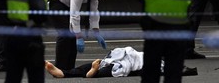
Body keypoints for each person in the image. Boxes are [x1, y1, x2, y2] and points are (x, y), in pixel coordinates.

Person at [45, 0, 114, 70]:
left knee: (72, 33)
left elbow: (94, 10)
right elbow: (74, 12)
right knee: (65, 33)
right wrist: (79, 37)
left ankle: (69, 69)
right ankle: (60, 68)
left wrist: (96, 32)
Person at [5, 0, 48, 83]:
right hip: (30, 36)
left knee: (12, 78)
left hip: (13, 35)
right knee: (36, 78)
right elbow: (40, 12)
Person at [45, 47, 197, 78]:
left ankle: (64, 73)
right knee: (103, 69)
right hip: (125, 62)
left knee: (93, 66)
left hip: (120, 59)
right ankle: (64, 73)